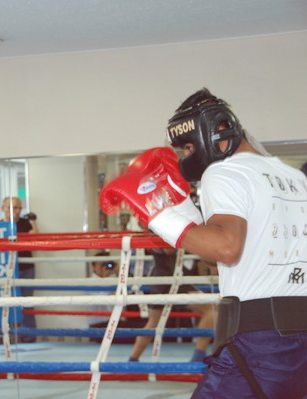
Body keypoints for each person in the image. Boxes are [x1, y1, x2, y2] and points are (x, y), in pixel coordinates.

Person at [101, 89, 307, 398]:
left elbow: (224, 248)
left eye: (187, 147)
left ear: (215, 133)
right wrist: (183, 208)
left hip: (259, 343)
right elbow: (221, 261)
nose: (186, 157)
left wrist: (156, 211)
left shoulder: (224, 172)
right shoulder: (292, 176)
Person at [128, 247, 215, 363]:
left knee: (154, 322)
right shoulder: (163, 229)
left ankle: (132, 359)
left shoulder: (156, 230)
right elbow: (168, 250)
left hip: (162, 277)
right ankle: (198, 357)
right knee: (210, 308)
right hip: (170, 278)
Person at [0, 196, 39, 343]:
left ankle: (29, 336)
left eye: (19, 208)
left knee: (27, 303)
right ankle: (9, 336)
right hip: (5, 269)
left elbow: (36, 238)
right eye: (13, 208)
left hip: (26, 268)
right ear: (3, 208)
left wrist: (33, 222)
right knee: (8, 303)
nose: (17, 211)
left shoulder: (25, 223)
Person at [87, 250, 119, 343]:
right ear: (94, 266)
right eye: (101, 264)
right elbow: (101, 299)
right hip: (98, 326)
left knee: (140, 327)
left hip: (112, 322)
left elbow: (129, 291)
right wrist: (107, 279)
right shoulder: (89, 282)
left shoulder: (112, 278)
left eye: (106, 263)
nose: (104, 267)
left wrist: (119, 274)